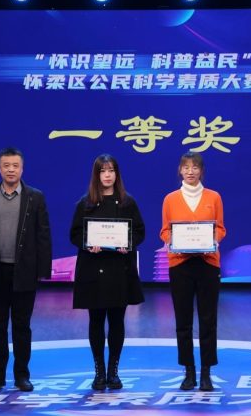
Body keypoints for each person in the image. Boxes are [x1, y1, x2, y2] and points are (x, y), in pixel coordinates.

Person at [0, 147, 52, 392]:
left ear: (22, 169)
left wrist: (43, 270)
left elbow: (43, 235)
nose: (10, 170)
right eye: (6, 165)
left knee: (21, 326)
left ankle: (22, 376)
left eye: (15, 165)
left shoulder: (35, 197)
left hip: (24, 272)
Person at [70, 154, 145, 391]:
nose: (107, 175)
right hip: (93, 270)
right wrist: (87, 244)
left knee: (117, 321)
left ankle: (114, 371)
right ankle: (99, 372)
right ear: (96, 175)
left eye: (111, 170)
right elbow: (74, 234)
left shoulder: (127, 202)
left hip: (119, 270)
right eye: (103, 171)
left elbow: (140, 231)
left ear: (117, 174)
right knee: (95, 321)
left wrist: (128, 243)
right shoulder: (85, 203)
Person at [159, 151, 226, 392]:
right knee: (183, 320)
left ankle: (206, 372)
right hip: (180, 265)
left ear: (201, 171)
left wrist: (212, 240)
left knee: (208, 320)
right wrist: (174, 242)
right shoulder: (170, 199)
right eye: (186, 167)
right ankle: (188, 372)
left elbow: (220, 228)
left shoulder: (214, 197)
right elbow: (165, 231)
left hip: (208, 264)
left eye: (195, 167)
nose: (190, 171)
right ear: (180, 170)